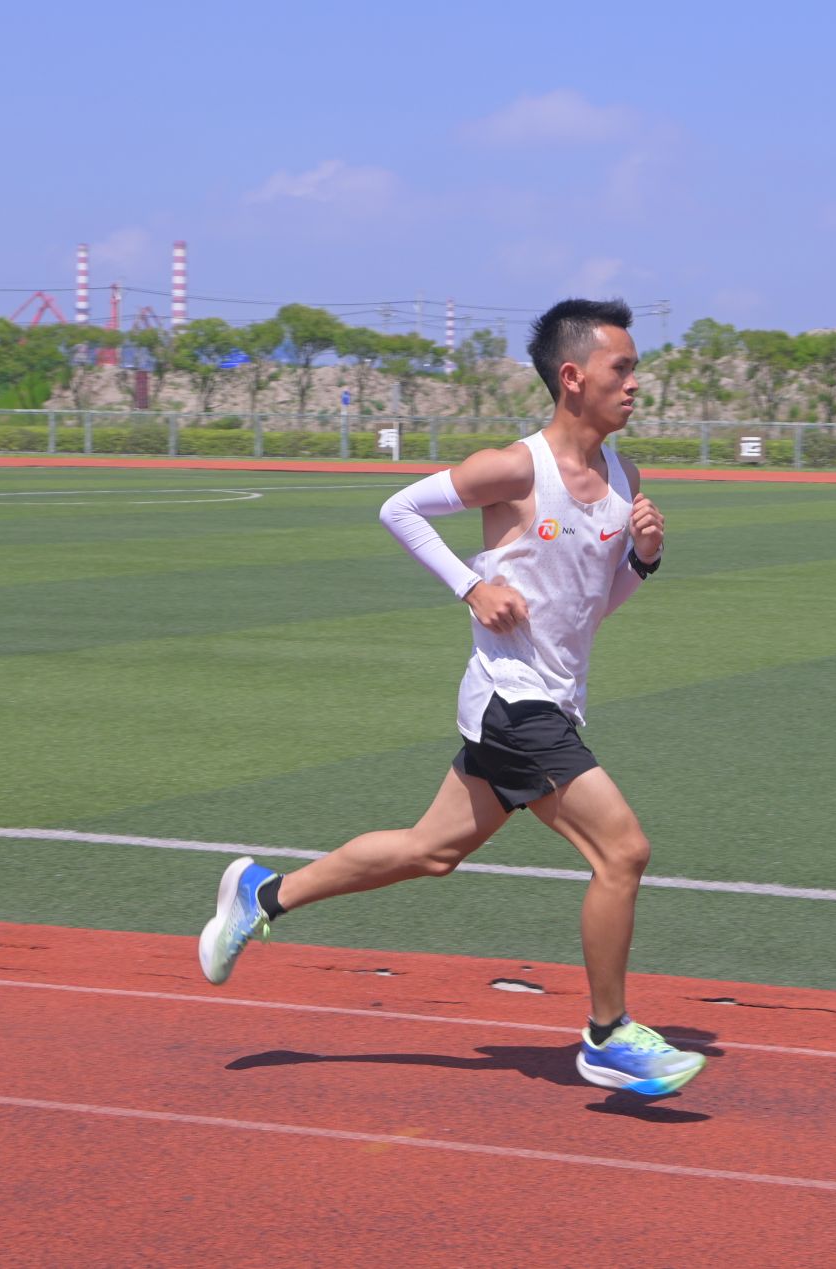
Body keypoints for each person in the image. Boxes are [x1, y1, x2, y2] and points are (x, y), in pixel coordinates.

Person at [197, 298, 704, 1097]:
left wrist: (642, 560)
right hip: (514, 702)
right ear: (574, 377)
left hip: (554, 698)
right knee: (623, 850)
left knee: (430, 851)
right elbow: (398, 508)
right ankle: (608, 1034)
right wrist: (472, 586)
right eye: (623, 368)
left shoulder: (624, 481)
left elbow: (587, 611)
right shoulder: (515, 468)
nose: (637, 383)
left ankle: (265, 893)